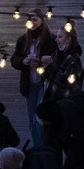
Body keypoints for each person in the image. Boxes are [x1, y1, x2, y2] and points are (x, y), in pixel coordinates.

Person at [14, 8, 56, 147]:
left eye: (35, 19)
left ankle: (42, 146)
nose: (32, 23)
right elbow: (14, 59)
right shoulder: (23, 40)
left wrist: (49, 62)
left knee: (39, 117)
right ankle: (38, 146)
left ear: (42, 21)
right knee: (32, 118)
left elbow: (61, 56)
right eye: (30, 20)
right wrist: (23, 61)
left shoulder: (51, 40)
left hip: (44, 83)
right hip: (30, 84)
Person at [43, 19, 83, 104]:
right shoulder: (57, 54)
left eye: (60, 37)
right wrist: (45, 67)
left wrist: (51, 66)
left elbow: (66, 81)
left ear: (68, 39)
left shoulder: (73, 59)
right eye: (57, 36)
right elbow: (48, 76)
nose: (56, 40)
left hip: (66, 104)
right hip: (53, 102)